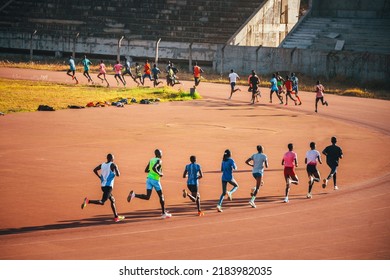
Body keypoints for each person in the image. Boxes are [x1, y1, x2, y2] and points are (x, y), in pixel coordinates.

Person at [127, 149, 172, 219]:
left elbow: (146, 170)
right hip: (155, 180)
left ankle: (134, 195)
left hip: (149, 179)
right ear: (159, 154)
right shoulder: (159, 160)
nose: (162, 154)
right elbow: (154, 168)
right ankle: (163, 213)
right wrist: (159, 173)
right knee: (161, 196)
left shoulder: (151, 160)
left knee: (148, 196)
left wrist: (153, 171)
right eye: (161, 153)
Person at [81, 154, 124, 222]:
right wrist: (116, 169)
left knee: (112, 200)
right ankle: (88, 201)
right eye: (113, 158)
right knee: (102, 202)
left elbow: (94, 170)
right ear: (112, 159)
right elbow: (118, 174)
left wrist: (99, 177)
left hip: (103, 186)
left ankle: (116, 217)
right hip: (108, 187)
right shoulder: (113, 165)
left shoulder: (102, 164)